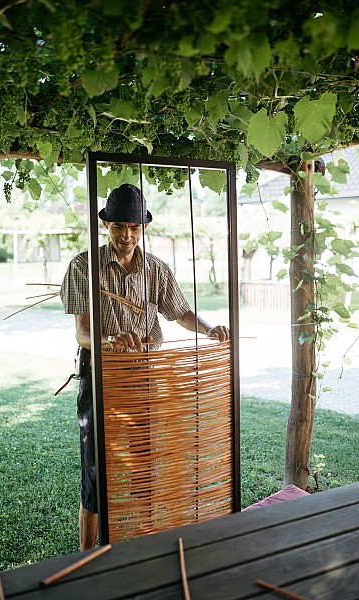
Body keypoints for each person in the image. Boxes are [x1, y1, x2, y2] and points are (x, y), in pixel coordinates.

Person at [60, 183, 229, 550]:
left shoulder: (156, 269)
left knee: (144, 467)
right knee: (95, 471)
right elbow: (83, 334)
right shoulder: (83, 267)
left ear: (144, 228)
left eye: (134, 228)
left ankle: (142, 548)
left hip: (144, 378)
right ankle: (83, 559)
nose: (127, 236)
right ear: (106, 225)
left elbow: (180, 312)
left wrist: (208, 329)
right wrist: (111, 339)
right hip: (100, 377)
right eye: (119, 226)